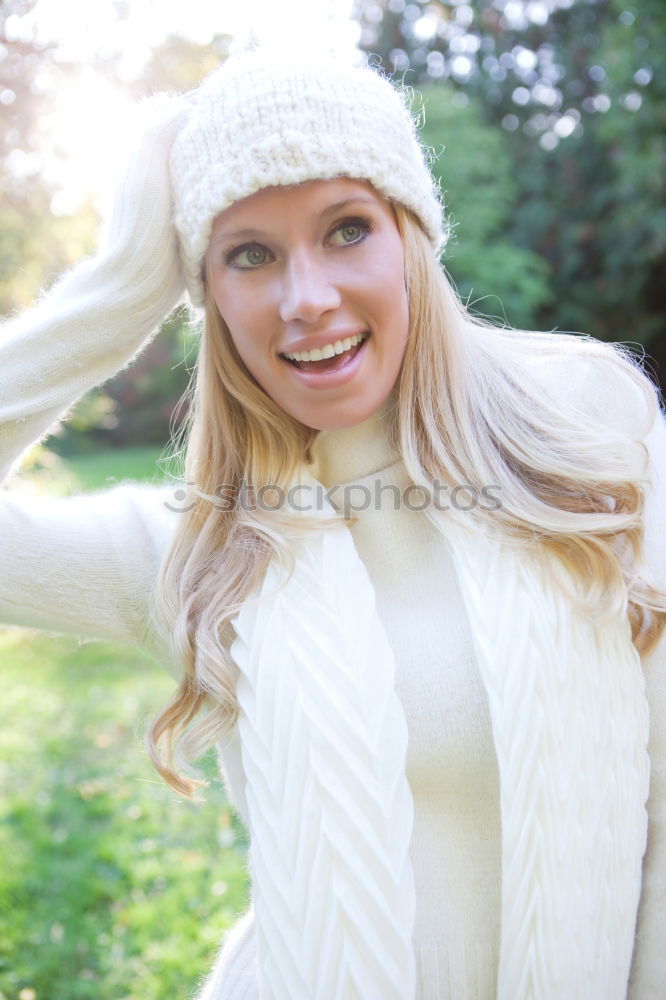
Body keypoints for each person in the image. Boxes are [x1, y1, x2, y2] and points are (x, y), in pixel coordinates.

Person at [1, 48, 665, 1000]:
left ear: (412, 238)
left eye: (347, 229)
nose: (305, 298)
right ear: (208, 293)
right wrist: (115, 299)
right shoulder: (198, 549)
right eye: (249, 254)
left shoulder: (591, 426)